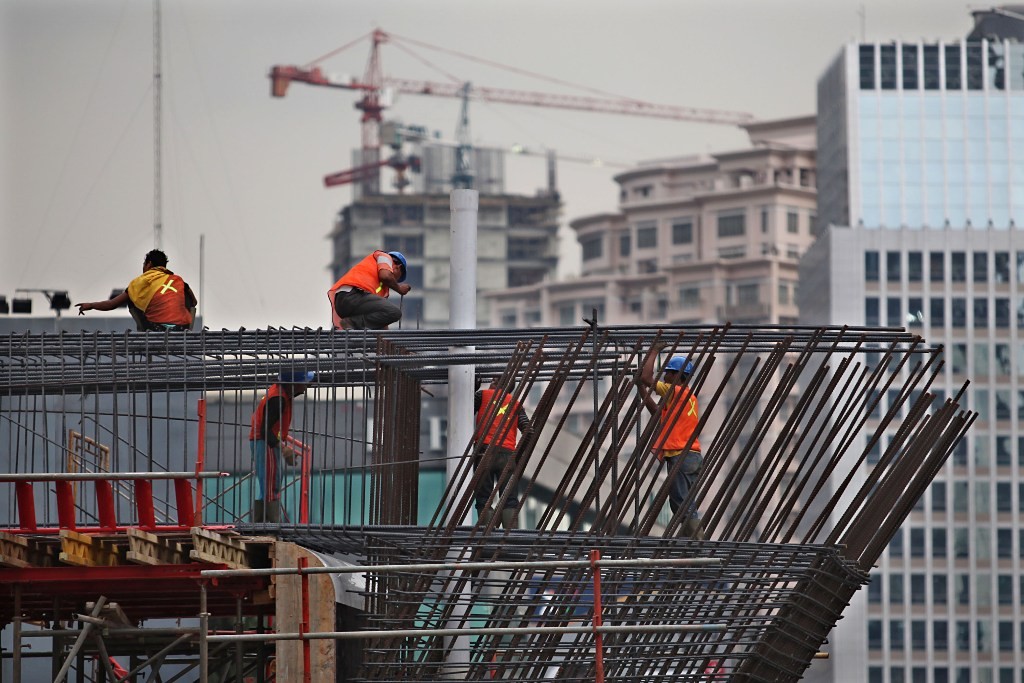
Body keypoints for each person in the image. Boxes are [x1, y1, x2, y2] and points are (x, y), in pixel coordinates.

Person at [638, 346, 704, 539]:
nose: (664, 377)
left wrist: (654, 350)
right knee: (679, 502)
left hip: (681, 455)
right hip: (690, 456)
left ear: (677, 376)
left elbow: (646, 378)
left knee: (682, 501)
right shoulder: (688, 397)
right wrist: (641, 389)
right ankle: (690, 541)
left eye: (667, 374)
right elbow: (657, 414)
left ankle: (698, 542)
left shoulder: (676, 391)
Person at [248, 370, 314, 523]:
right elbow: (265, 431)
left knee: (269, 484)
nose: (306, 386)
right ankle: (271, 525)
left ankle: (260, 524)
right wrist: (284, 449)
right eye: (304, 383)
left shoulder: (283, 392)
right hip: (263, 442)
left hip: (264, 441)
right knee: (271, 485)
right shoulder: (278, 399)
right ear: (294, 384)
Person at [76, 249, 197, 331]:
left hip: (157, 329)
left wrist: (91, 305)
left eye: (144, 264)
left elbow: (111, 304)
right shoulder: (178, 280)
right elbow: (194, 302)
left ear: (149, 264)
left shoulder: (140, 283)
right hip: (181, 329)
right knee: (183, 295)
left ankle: (143, 331)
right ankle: (185, 327)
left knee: (132, 296)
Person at [473, 377, 531, 529]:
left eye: (495, 379)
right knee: (509, 498)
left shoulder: (483, 395)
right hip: (507, 454)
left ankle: (486, 534)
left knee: (483, 497)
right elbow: (528, 431)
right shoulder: (516, 404)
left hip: (484, 451)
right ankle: (510, 535)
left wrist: (473, 388)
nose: (491, 381)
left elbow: (463, 409)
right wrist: (515, 455)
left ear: (499, 384)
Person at [328, 250, 411, 330]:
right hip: (352, 295)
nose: (395, 280)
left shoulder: (382, 289)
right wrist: (400, 289)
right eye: (398, 278)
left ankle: (353, 324)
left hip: (345, 303)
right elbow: (386, 276)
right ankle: (352, 323)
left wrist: (386, 340)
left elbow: (381, 321)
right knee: (395, 313)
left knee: (378, 321)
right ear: (398, 267)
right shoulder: (385, 257)